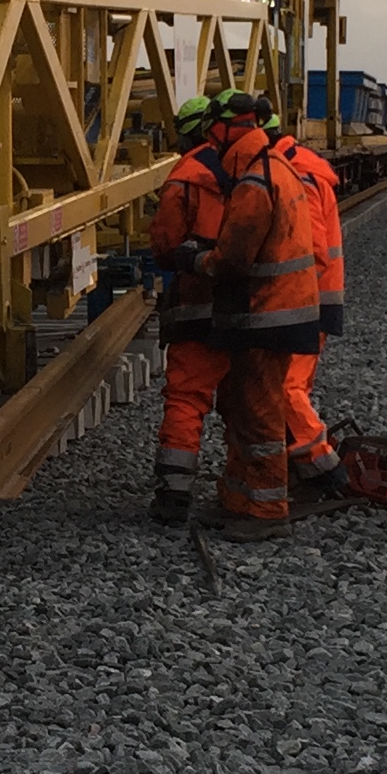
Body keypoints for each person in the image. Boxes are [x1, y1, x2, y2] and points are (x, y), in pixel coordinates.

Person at [203, 98, 322, 541]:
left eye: (212, 132)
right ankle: (240, 499)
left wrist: (197, 260)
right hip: (277, 310)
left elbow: (233, 259)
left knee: (258, 411)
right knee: (240, 404)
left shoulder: (254, 182)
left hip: (267, 313)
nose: (210, 142)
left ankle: (269, 510)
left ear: (229, 130)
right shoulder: (275, 166)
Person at [242, 89, 351, 509]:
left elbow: (312, 248)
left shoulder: (294, 174)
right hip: (313, 298)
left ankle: (324, 467)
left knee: (285, 388)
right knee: (293, 386)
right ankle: (300, 466)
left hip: (305, 300)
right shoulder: (299, 165)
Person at [145, 92, 236, 523]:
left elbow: (164, 245)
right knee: (250, 399)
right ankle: (251, 490)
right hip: (250, 306)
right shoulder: (254, 169)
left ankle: (174, 493)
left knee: (186, 397)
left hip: (196, 305)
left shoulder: (184, 177)